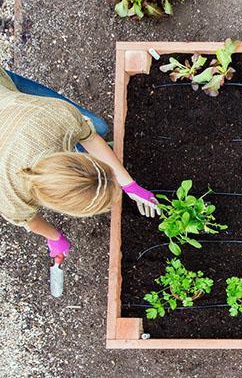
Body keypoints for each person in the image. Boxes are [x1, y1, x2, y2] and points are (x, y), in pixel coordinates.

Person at [0, 68, 158, 260]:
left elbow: (91, 138)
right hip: (18, 121)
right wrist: (54, 237)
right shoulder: (9, 197)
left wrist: (129, 184)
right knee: (98, 127)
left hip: (13, 101)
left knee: (99, 127)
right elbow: (30, 221)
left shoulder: (58, 116)